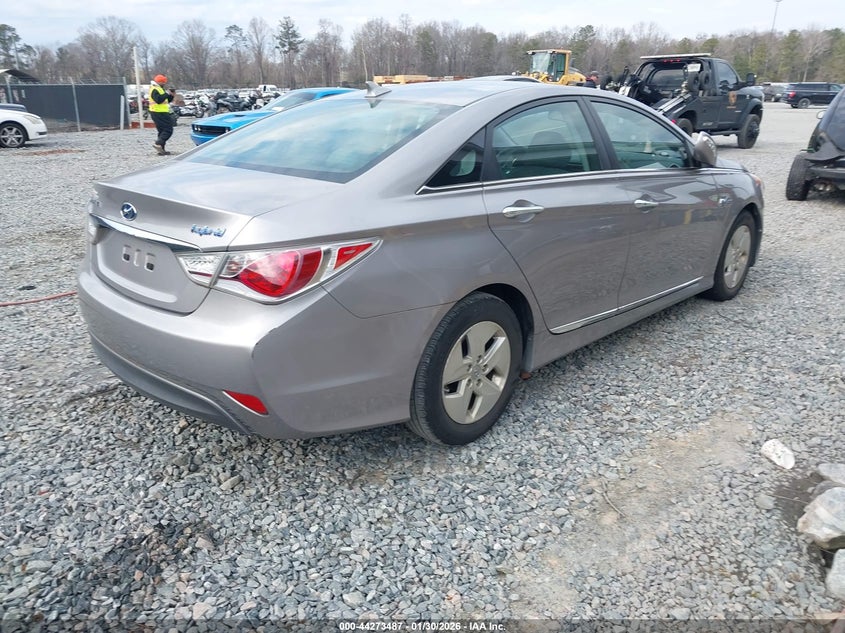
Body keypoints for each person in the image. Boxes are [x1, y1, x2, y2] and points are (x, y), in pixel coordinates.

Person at [149, 74, 175, 155]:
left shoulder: (159, 89)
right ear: (160, 82)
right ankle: (158, 143)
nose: (164, 84)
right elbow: (159, 100)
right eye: (163, 82)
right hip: (158, 112)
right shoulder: (155, 89)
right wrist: (167, 93)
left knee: (162, 130)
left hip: (160, 112)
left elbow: (166, 100)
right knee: (168, 129)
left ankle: (161, 150)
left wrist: (171, 95)